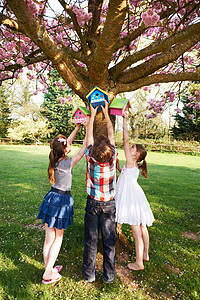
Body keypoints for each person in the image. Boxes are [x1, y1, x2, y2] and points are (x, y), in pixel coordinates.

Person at [37, 124, 88, 284]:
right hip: (62, 201)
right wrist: (89, 128)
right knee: (58, 237)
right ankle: (48, 274)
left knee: (48, 238)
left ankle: (49, 269)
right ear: (65, 149)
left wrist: (77, 128)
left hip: (51, 198)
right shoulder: (68, 163)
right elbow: (85, 146)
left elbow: (65, 144)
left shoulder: (54, 157)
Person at [82, 101, 117, 284]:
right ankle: (109, 276)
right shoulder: (112, 158)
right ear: (109, 148)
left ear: (95, 148)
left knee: (91, 239)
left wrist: (93, 114)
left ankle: (89, 275)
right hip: (109, 204)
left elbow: (88, 137)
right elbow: (111, 133)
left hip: (93, 203)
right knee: (109, 241)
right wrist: (105, 111)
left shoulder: (90, 157)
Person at [115, 111, 155, 271]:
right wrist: (119, 167)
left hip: (131, 200)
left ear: (136, 154)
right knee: (142, 226)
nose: (129, 147)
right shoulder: (132, 165)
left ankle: (139, 263)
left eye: (132, 148)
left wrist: (124, 120)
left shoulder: (131, 162)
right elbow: (125, 176)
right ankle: (145, 254)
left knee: (136, 231)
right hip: (137, 198)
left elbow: (125, 140)